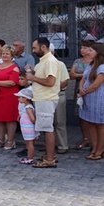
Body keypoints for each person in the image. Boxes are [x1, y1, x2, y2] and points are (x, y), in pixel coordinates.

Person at [26, 37, 60, 168]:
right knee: (47, 128)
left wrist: (33, 77)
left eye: (35, 48)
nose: (33, 51)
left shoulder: (50, 61)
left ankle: (50, 159)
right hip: (42, 98)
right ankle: (49, 155)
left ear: (43, 47)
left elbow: (50, 82)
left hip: (46, 98)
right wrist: (34, 72)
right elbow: (43, 78)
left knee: (47, 129)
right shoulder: (43, 61)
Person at [78, 43, 104, 160]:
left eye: (91, 50)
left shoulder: (102, 67)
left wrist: (84, 91)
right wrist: (81, 88)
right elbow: (83, 78)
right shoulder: (90, 64)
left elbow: (96, 85)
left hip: (98, 99)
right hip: (89, 98)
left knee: (100, 125)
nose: (88, 52)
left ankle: (100, 150)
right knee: (91, 124)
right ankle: (94, 147)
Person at [70, 41, 95, 150]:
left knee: (93, 115)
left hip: (92, 91)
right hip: (79, 90)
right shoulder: (77, 61)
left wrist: (81, 75)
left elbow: (96, 76)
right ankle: (85, 139)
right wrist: (85, 75)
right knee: (81, 115)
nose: (82, 50)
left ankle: (94, 140)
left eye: (85, 47)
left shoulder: (96, 62)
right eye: (81, 47)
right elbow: (72, 75)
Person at [49, 43, 71, 155]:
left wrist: (49, 86)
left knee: (59, 121)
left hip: (58, 95)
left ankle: (63, 145)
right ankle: (50, 145)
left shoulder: (60, 64)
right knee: (48, 122)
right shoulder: (42, 64)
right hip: (46, 96)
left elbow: (64, 82)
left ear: (52, 52)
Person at [16, 88, 37, 164]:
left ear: (25, 98)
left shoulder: (28, 108)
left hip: (28, 127)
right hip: (26, 127)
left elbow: (32, 118)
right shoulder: (27, 107)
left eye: (19, 97)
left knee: (30, 143)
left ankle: (30, 158)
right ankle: (29, 156)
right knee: (28, 142)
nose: (18, 99)